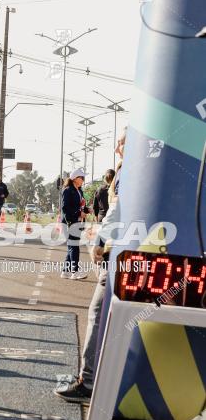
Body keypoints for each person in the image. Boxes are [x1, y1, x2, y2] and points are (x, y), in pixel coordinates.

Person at [55, 129, 126, 402]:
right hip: (131, 250)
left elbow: (118, 209)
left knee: (99, 312)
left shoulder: (128, 170)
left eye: (121, 143)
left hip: (120, 253)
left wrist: (102, 239)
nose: (117, 148)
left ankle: (90, 380)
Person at [61, 168, 89, 280]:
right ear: (75, 179)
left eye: (83, 178)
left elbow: (80, 206)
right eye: (81, 177)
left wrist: (87, 210)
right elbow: (65, 208)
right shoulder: (67, 190)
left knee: (71, 247)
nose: (83, 180)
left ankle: (65, 271)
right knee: (74, 246)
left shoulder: (80, 191)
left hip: (77, 221)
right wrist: (79, 213)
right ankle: (75, 272)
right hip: (69, 222)